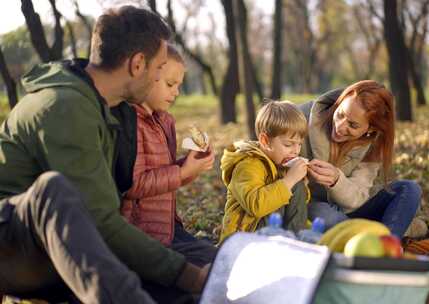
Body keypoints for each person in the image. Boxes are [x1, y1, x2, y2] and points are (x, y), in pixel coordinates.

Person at [0, 6, 206, 304]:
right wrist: (189, 274)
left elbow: (106, 217)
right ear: (137, 64)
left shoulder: (107, 110)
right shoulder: (66, 106)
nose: (161, 76)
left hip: (64, 249)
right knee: (52, 190)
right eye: (160, 67)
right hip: (16, 243)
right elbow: (98, 220)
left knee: (192, 291)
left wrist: (190, 277)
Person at [118, 44, 217, 267]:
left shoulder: (165, 121)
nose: (176, 92)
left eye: (179, 85)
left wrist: (192, 167)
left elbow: (168, 175)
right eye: (170, 84)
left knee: (217, 258)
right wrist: (182, 171)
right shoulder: (131, 122)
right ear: (146, 76)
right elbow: (133, 185)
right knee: (208, 264)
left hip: (168, 227)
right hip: (142, 234)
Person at [298, 80, 421, 238]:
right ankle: (381, 232)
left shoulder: (373, 143)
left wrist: (337, 180)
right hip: (313, 207)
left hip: (350, 210)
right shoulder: (300, 117)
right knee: (327, 217)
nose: (340, 127)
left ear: (371, 129)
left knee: (409, 189)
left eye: (353, 125)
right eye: (340, 114)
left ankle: (385, 245)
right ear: (340, 102)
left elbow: (357, 199)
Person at [219, 101, 310, 243]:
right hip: (243, 237)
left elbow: (295, 209)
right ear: (265, 141)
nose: (296, 151)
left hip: (270, 231)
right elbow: (256, 206)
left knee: (296, 186)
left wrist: (301, 179)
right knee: (289, 185)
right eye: (288, 144)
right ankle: (291, 243)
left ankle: (296, 242)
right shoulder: (247, 165)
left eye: (299, 144)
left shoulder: (279, 163)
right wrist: (289, 180)